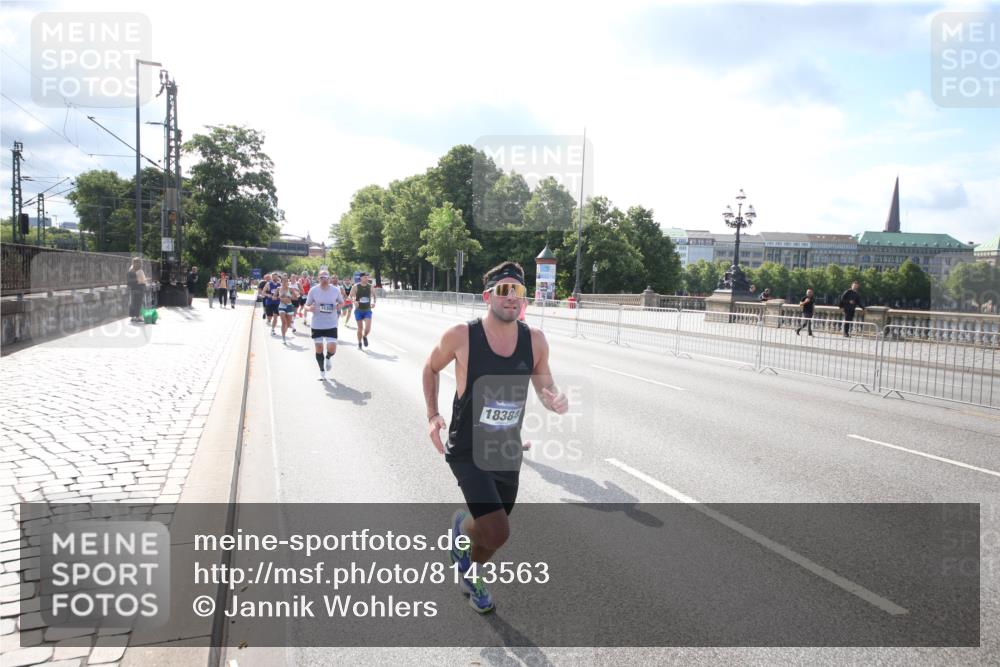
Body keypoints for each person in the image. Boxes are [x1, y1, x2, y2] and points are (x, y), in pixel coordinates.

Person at [422, 261, 569, 614]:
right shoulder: (461, 335)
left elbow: (546, 387)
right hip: (468, 448)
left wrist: (556, 400)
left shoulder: (535, 341)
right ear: (488, 296)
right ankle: (470, 573)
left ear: (525, 300)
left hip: (506, 449)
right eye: (503, 290)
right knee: (498, 531)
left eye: (517, 291)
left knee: (490, 533)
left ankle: (464, 539)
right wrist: (432, 415)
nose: (511, 297)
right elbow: (430, 368)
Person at [305, 270, 345, 381]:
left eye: (325, 277)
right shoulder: (313, 290)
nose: (324, 279)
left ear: (329, 278)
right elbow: (306, 305)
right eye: (321, 277)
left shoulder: (335, 290)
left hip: (331, 323)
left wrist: (339, 306)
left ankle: (328, 357)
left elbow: (342, 302)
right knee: (319, 348)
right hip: (317, 324)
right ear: (318, 278)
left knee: (332, 348)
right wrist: (309, 308)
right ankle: (322, 372)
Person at [349, 272, 376, 350]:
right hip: (358, 310)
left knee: (368, 328)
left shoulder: (370, 286)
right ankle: (359, 342)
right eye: (365, 277)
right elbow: (351, 296)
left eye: (367, 277)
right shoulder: (355, 286)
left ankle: (364, 336)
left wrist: (374, 302)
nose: (367, 279)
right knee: (360, 328)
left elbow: (374, 296)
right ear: (361, 278)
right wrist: (354, 301)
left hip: (367, 309)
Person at [276, 276, 299, 343]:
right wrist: (279, 297)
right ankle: (283, 337)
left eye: (287, 281)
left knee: (288, 325)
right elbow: (274, 296)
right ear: (281, 282)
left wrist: (290, 297)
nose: (285, 282)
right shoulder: (278, 289)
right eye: (284, 281)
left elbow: (296, 298)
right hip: (281, 306)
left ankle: (284, 334)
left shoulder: (291, 289)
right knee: (284, 322)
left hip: (289, 306)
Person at [127, 258, 147, 323]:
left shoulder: (131, 269)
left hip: (133, 288)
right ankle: (138, 317)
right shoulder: (140, 271)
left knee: (133, 302)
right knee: (139, 303)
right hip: (140, 288)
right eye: (140, 262)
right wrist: (145, 280)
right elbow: (141, 280)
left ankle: (133, 317)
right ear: (139, 263)